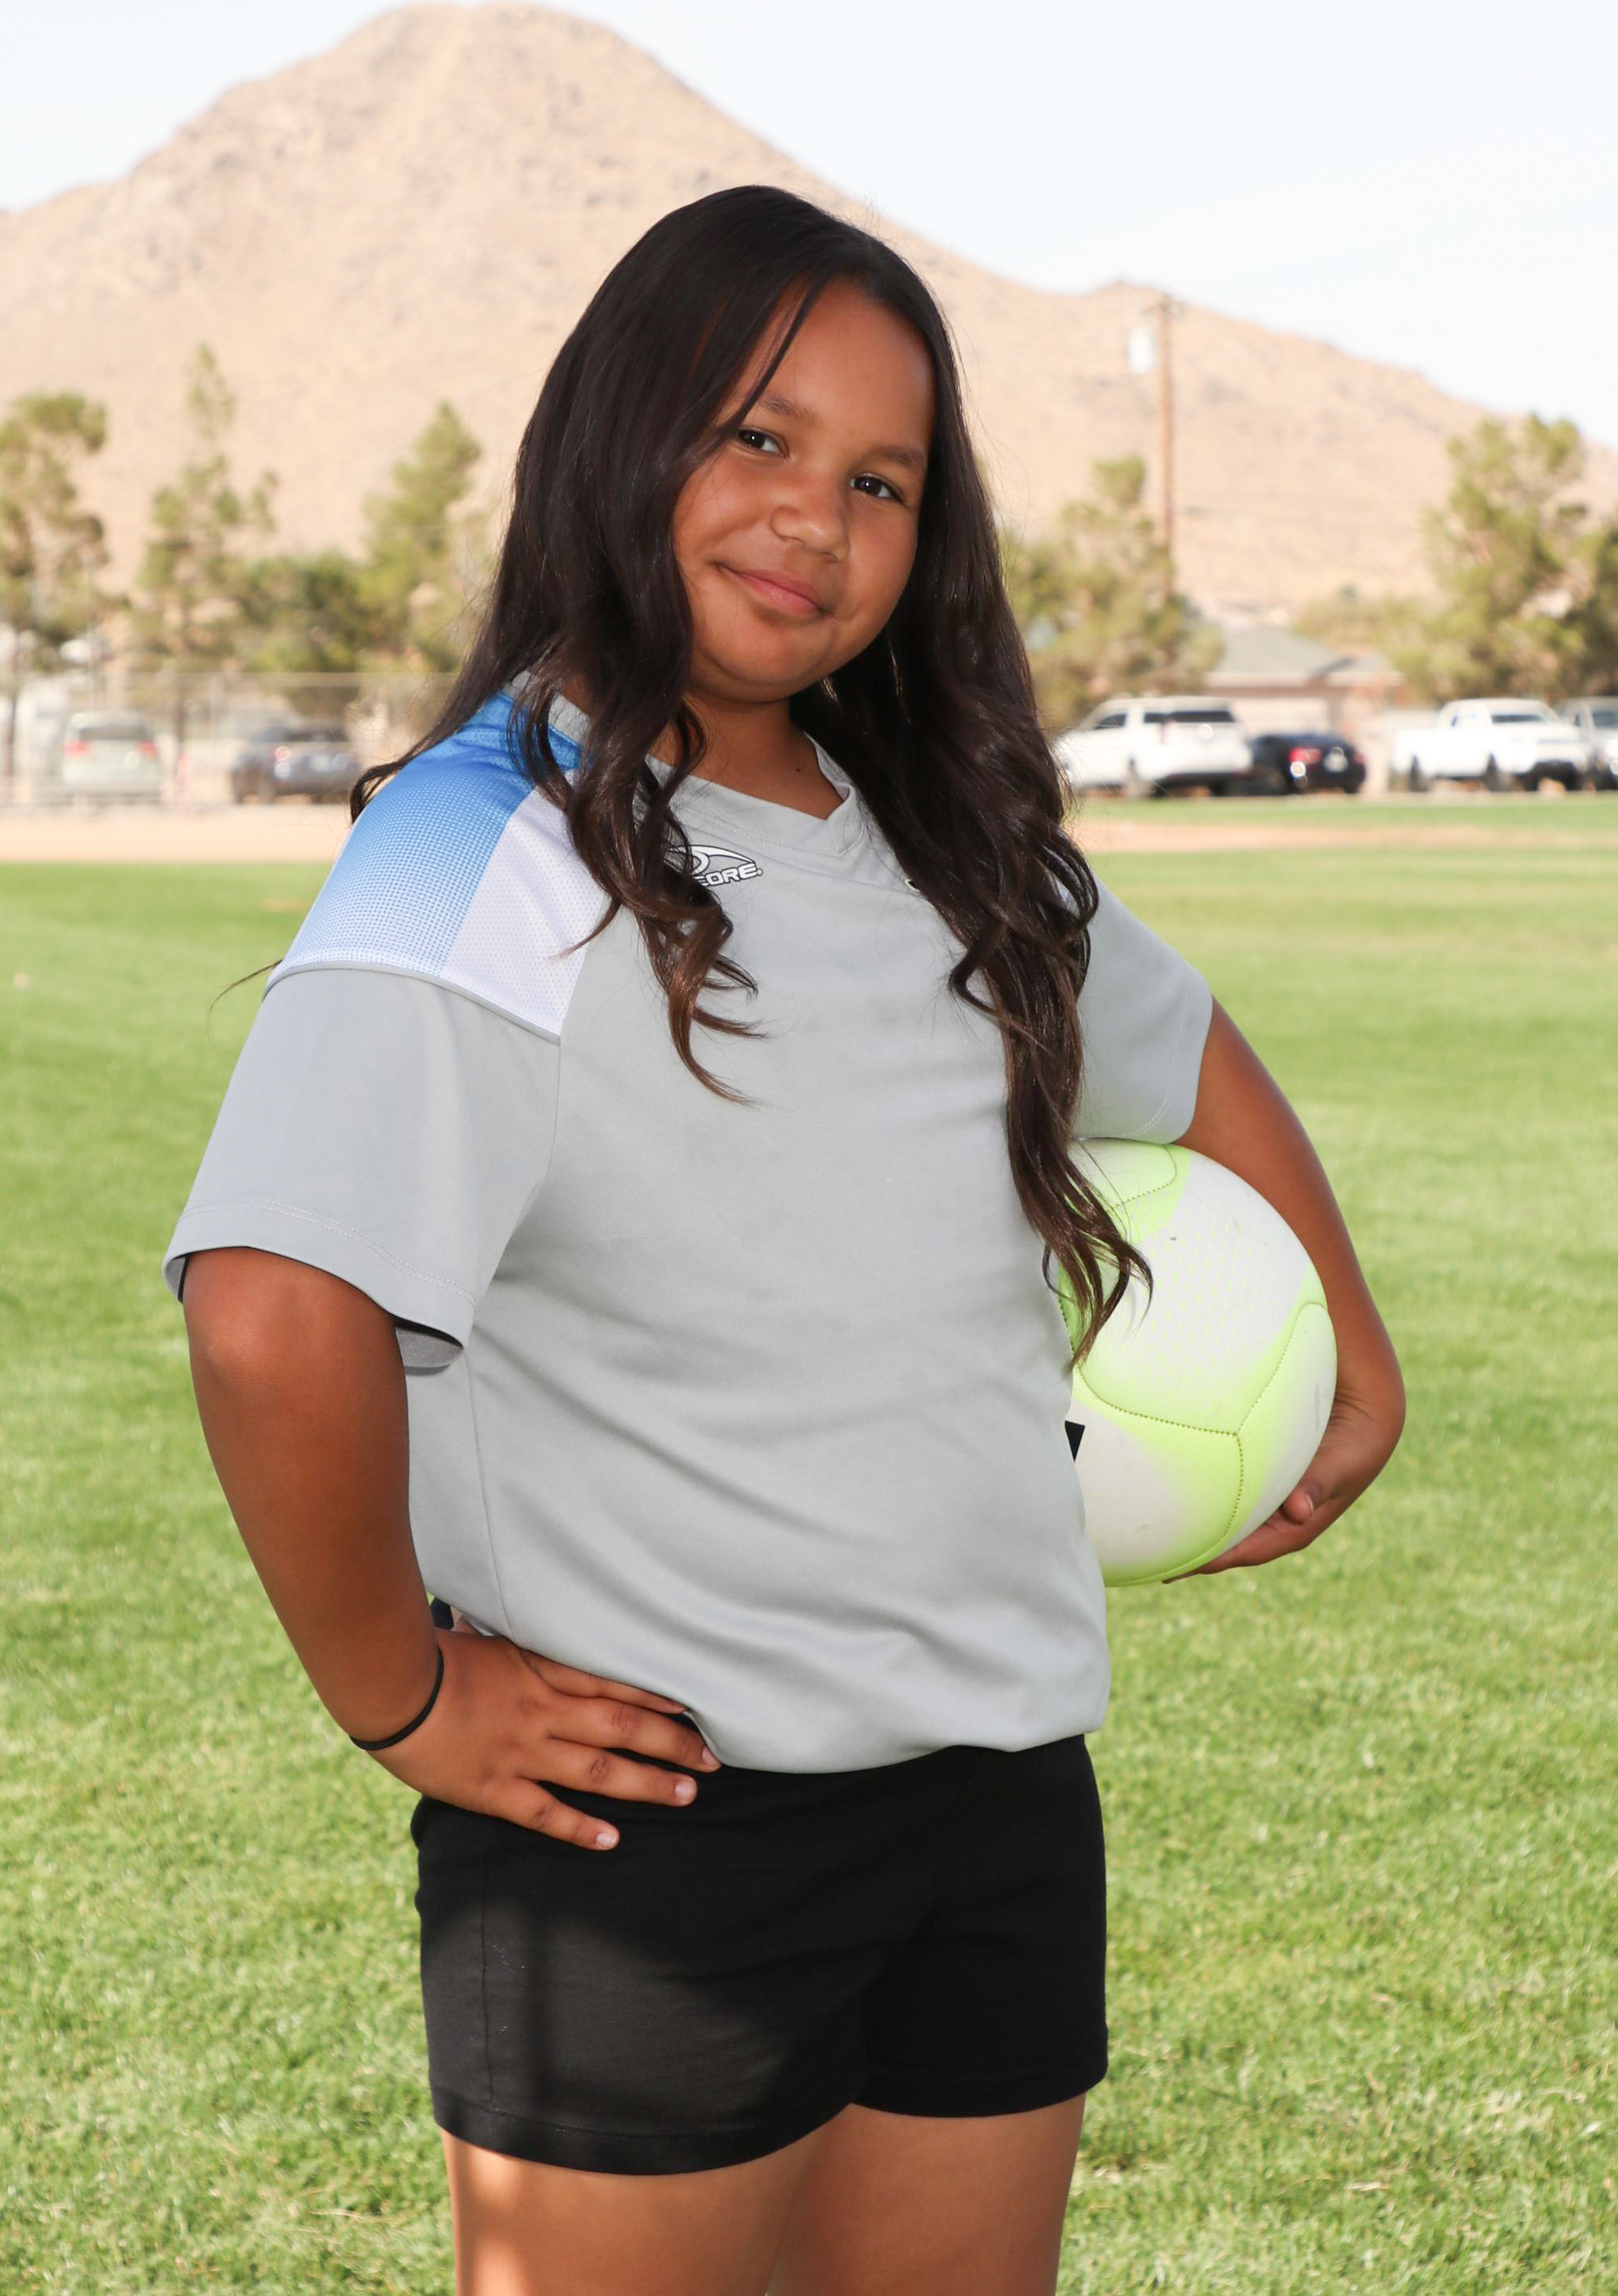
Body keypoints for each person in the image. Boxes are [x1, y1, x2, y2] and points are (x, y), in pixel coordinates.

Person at [162, 185, 1404, 2296]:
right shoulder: (496, 839)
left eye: (879, 479)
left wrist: (1346, 1345)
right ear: (616, 432)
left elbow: (1179, 1046)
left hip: (997, 1793)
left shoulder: (939, 830)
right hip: (660, 1833)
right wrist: (406, 1695)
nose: (812, 517)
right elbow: (276, 1308)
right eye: (757, 435)